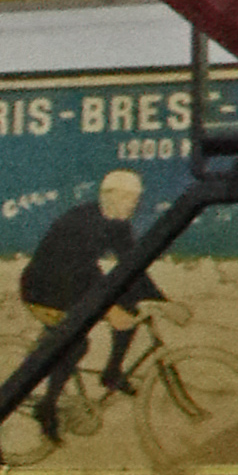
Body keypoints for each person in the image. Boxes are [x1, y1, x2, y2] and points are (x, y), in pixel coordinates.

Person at [14, 165, 159, 444]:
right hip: (45, 289)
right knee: (77, 343)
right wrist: (107, 309)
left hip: (78, 283)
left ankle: (112, 373)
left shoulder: (118, 224)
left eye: (136, 198)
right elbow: (72, 274)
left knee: (131, 303)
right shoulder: (78, 223)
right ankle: (47, 407)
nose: (135, 204)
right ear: (110, 196)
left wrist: (159, 301)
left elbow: (133, 267)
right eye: (129, 198)